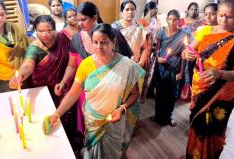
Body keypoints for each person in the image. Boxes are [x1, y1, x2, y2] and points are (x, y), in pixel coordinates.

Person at [43, 23, 145, 159]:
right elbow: (73, 93)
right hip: (92, 120)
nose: (99, 47)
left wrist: (121, 109)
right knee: (91, 153)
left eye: (104, 42)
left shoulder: (126, 66)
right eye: (95, 42)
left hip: (114, 121)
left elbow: (134, 93)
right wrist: (56, 114)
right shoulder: (86, 65)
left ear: (113, 42)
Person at [54, 1, 133, 136]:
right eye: (78, 20)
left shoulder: (113, 34)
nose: (79, 24)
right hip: (87, 91)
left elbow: (127, 64)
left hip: (113, 92)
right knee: (92, 131)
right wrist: (64, 81)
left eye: (83, 19)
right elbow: (72, 65)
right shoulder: (77, 39)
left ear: (95, 17)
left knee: (112, 131)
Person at [184, 1, 234, 158]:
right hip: (200, 86)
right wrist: (188, 54)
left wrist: (219, 73)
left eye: (230, 17)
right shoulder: (205, 31)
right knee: (198, 125)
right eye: (221, 15)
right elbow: (189, 51)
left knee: (214, 129)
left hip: (222, 92)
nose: (224, 20)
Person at [9, 15, 69, 106]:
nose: (44, 34)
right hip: (42, 90)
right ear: (35, 31)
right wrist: (20, 75)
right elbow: (28, 65)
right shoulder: (34, 48)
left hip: (62, 85)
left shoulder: (63, 37)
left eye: (49, 31)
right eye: (40, 31)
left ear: (54, 29)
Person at [153, 10, 190, 126]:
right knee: (160, 91)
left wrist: (181, 71)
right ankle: (158, 116)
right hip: (162, 65)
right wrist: (158, 58)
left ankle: (169, 116)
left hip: (175, 65)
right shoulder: (161, 33)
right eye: (170, 19)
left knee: (172, 92)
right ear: (167, 20)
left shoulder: (184, 34)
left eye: (175, 20)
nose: (172, 22)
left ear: (179, 20)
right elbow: (157, 48)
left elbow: (184, 55)